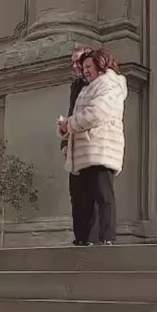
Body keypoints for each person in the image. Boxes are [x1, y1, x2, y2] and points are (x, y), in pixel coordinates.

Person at [58, 48, 127, 246]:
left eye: (87, 65)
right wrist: (65, 132)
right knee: (81, 197)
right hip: (83, 149)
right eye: (82, 66)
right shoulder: (86, 86)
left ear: (100, 64)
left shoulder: (109, 84)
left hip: (100, 147)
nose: (82, 69)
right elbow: (76, 111)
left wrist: (69, 124)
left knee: (103, 193)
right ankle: (83, 238)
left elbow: (97, 112)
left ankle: (106, 238)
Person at [63, 46, 99, 246]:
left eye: (80, 62)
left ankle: (93, 238)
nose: (77, 67)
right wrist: (64, 143)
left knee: (94, 194)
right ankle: (80, 238)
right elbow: (71, 113)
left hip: (93, 146)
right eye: (75, 63)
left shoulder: (101, 84)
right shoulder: (76, 86)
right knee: (76, 194)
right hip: (75, 145)